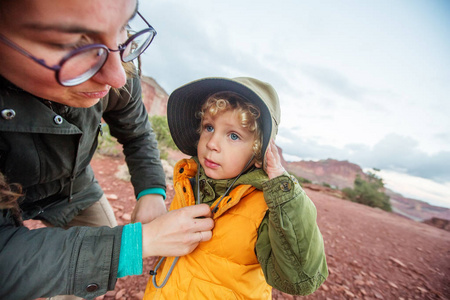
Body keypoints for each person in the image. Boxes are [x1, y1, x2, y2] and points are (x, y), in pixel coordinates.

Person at [0, 1, 214, 299]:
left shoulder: (120, 63)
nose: (117, 77)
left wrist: (151, 190)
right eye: (73, 44)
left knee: (93, 273)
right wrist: (137, 244)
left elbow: (137, 133)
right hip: (9, 197)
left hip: (75, 187)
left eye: (120, 30)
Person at [143, 77, 328, 299]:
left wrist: (284, 196)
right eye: (209, 127)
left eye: (233, 135)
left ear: (259, 153)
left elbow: (300, 279)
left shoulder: (266, 209)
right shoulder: (189, 183)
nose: (212, 143)